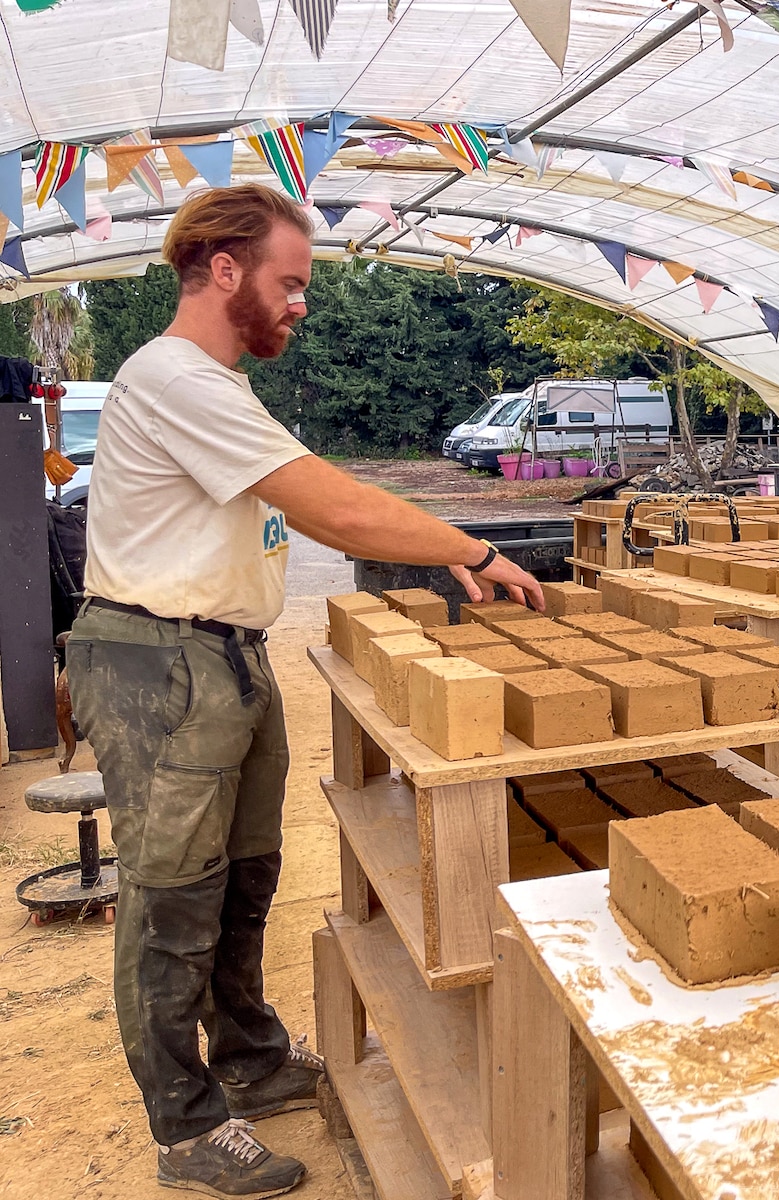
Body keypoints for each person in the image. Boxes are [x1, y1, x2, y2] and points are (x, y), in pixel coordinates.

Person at [65, 184, 545, 1198]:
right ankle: (188, 1126)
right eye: (290, 282)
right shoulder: (173, 378)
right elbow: (333, 506)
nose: (302, 304)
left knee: (243, 875)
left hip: (220, 654)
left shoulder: (221, 385)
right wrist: (468, 547)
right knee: (170, 896)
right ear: (225, 269)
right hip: (159, 661)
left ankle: (248, 1057)